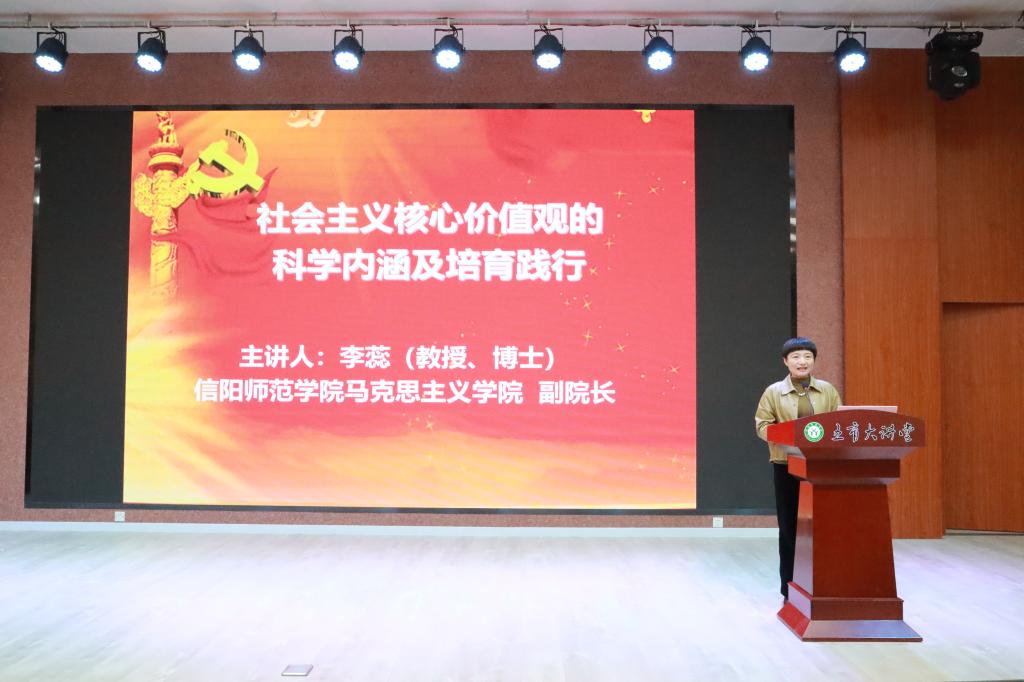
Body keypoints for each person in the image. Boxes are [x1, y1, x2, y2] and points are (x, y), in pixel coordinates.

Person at [754, 337, 841, 600]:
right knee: (790, 528)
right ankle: (789, 588)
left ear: (814, 360)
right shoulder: (773, 392)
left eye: (807, 356)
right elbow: (762, 426)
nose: (802, 362)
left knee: (823, 527)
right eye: (796, 357)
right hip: (787, 465)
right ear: (785, 361)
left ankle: (823, 585)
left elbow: (839, 424)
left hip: (821, 468)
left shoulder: (827, 391)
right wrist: (787, 435)